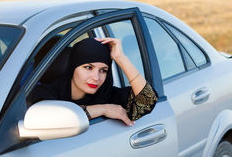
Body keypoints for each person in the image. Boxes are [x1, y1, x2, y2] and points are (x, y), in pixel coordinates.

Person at [29, 37, 158, 126]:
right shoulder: (44, 93)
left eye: (103, 70)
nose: (96, 77)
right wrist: (103, 109)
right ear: (73, 67)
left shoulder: (109, 95)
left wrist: (121, 58)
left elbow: (147, 101)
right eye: (88, 68)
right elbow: (51, 118)